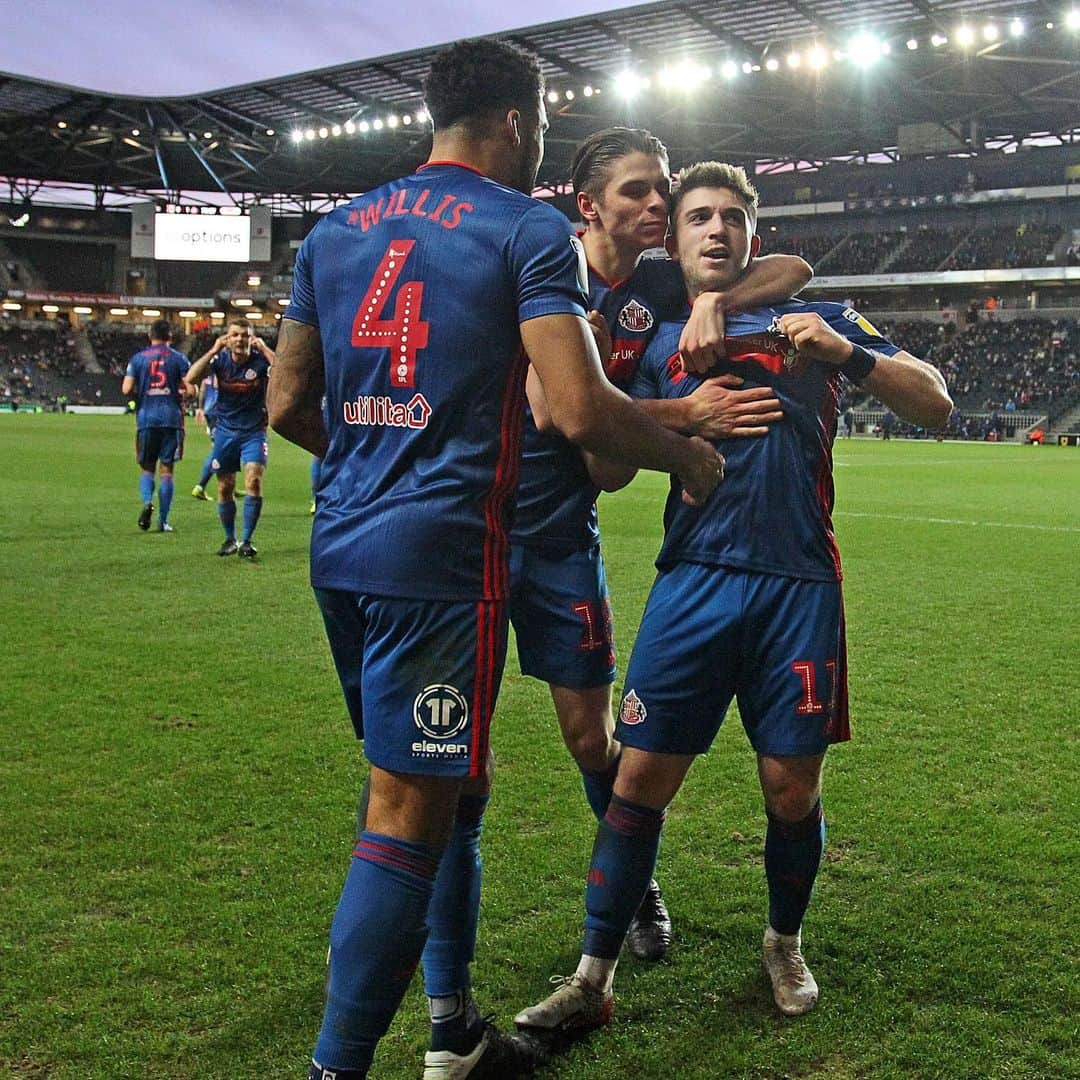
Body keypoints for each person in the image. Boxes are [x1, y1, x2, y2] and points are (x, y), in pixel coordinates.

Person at [267, 40, 723, 1080]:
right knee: (407, 811)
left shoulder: (336, 230)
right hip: (446, 555)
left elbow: (289, 403)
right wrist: (685, 455)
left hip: (342, 545)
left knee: (436, 790)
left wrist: (383, 465)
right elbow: (575, 404)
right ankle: (341, 1067)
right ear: (519, 123)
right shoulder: (523, 227)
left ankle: (453, 1032)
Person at [515, 162, 952, 1040]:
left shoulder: (816, 317)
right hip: (696, 582)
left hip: (800, 585)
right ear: (671, 241)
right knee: (637, 779)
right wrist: (685, 414)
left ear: (753, 232)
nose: (715, 230)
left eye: (732, 217)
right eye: (697, 218)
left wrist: (850, 356)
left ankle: (783, 941)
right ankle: (591, 972)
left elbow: (936, 402)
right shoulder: (646, 334)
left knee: (791, 790)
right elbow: (601, 455)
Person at [509, 125, 810, 962]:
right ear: (590, 204)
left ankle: (638, 888)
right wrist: (683, 423)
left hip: (567, 524)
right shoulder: (546, 266)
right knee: (443, 749)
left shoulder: (656, 282)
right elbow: (555, 411)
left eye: (662, 191)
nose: (658, 205)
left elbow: (794, 270)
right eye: (641, 191)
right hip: (489, 515)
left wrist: (716, 300)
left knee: (586, 737)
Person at [184, 322, 274, 558]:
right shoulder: (220, 360)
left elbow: (285, 370)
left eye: (245, 335)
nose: (240, 339)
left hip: (254, 432)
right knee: (225, 486)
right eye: (234, 335)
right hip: (225, 432)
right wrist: (213, 350)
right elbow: (191, 377)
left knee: (253, 480)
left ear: (251, 339)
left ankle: (247, 541)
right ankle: (229, 539)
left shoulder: (260, 361)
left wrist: (264, 349)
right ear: (227, 338)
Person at [121, 318, 190, 533]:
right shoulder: (179, 359)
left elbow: (126, 388)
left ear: (149, 336)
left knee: (147, 468)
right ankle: (163, 520)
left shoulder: (137, 359)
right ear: (170, 336)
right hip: (171, 418)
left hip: (146, 418)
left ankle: (146, 502)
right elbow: (190, 388)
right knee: (167, 470)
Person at [191, 370, 219, 500]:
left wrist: (200, 408)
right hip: (219, 412)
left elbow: (202, 387)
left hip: (210, 411)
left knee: (227, 448)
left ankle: (230, 484)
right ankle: (200, 486)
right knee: (218, 450)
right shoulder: (226, 370)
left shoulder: (209, 375)